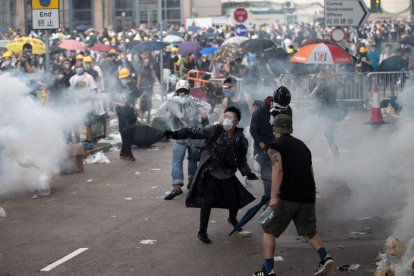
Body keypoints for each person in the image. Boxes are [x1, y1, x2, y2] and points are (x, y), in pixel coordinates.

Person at [253, 114, 334, 276]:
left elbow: (278, 170)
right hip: (308, 194)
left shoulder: (274, 146)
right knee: (308, 231)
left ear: (274, 129)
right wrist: (312, 189)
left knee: (268, 231)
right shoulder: (302, 146)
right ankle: (325, 257)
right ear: (290, 128)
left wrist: (274, 197)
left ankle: (268, 270)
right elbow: (310, 170)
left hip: (288, 196)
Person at [164, 106, 258, 244]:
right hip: (210, 169)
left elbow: (241, 160)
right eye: (224, 115)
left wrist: (247, 173)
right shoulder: (214, 130)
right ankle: (202, 232)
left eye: (230, 117)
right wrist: (175, 134)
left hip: (226, 172)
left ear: (236, 122)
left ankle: (232, 218)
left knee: (233, 199)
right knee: (207, 199)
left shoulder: (240, 140)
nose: (226, 119)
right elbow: (193, 132)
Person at [163, 80, 210, 200]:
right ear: (189, 90)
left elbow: (169, 119)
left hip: (179, 135)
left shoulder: (172, 102)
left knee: (177, 161)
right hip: (194, 134)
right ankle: (192, 182)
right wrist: (205, 131)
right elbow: (204, 116)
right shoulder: (195, 101)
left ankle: (177, 186)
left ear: (177, 91)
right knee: (193, 159)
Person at [249, 87, 292, 200]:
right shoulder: (261, 111)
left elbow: (287, 129)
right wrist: (263, 146)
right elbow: (253, 130)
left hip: (280, 146)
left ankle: (281, 197)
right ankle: (268, 199)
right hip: (263, 147)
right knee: (268, 174)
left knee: (281, 172)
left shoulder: (288, 110)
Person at [114, 68, 141, 161]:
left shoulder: (132, 85)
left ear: (129, 77)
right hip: (122, 113)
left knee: (132, 134)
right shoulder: (117, 87)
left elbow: (138, 96)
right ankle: (129, 154)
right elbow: (113, 101)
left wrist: (137, 104)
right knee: (125, 133)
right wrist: (123, 105)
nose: (124, 80)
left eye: (125, 78)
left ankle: (123, 153)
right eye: (122, 78)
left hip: (132, 113)